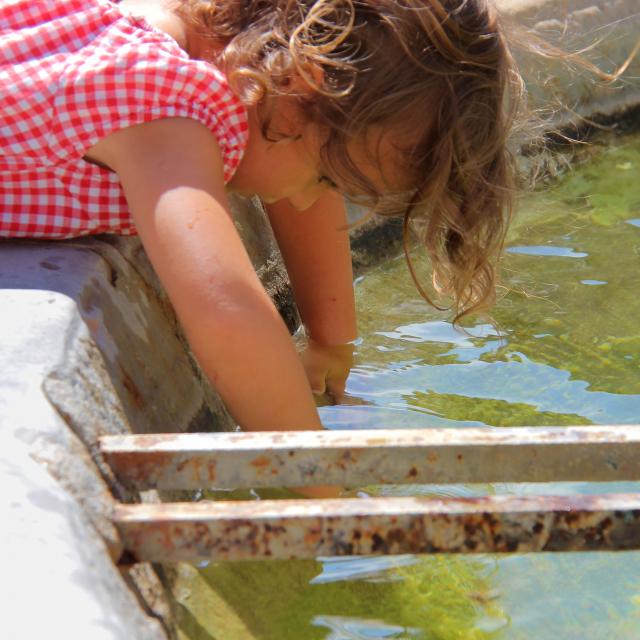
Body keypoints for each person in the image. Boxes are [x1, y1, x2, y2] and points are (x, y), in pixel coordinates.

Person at [0, 0, 521, 440]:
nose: (305, 200)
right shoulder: (165, 113)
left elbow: (305, 173)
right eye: (328, 180)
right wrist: (318, 491)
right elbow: (226, 312)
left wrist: (330, 342)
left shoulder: (200, 48)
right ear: (300, 86)